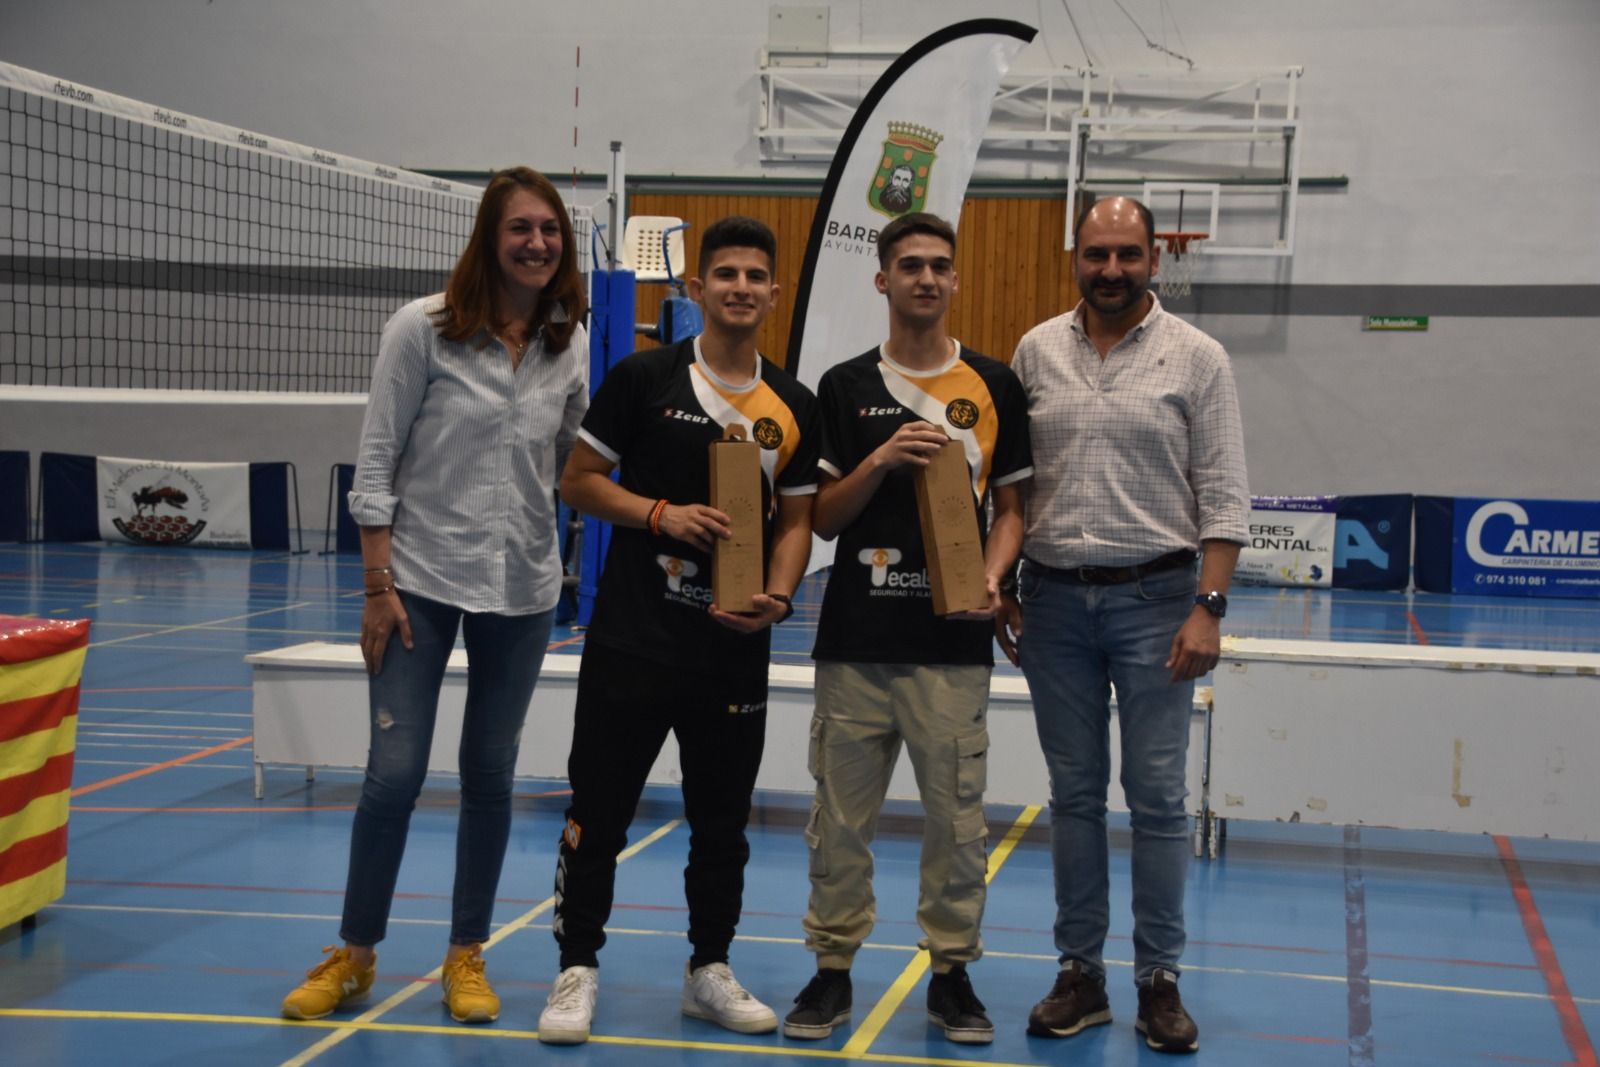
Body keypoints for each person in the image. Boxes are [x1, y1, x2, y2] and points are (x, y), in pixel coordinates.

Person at [279, 168, 589, 1025]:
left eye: (550, 230)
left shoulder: (568, 343)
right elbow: (376, 460)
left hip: (523, 587)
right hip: (417, 582)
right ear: (489, 236)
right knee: (394, 775)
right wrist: (377, 583)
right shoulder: (421, 328)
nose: (537, 243)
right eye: (521, 227)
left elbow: (576, 461)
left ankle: (465, 955)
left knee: (490, 773)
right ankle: (355, 954)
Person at [536, 216, 818, 1045]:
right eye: (725, 274)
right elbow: (579, 481)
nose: (740, 287)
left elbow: (797, 522)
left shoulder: (793, 405)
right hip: (633, 637)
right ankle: (577, 965)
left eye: (755, 276)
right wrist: (660, 513)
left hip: (732, 647)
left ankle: (708, 968)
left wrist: (777, 594)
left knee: (722, 822)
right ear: (698, 289)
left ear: (774, 293)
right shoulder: (643, 377)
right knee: (599, 810)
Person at [999, 196, 1248, 1054]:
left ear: (1154, 259)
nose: (1111, 270)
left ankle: (1158, 980)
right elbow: (1012, 487)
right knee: (1073, 796)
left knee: (1158, 798)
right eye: (1097, 254)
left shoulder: (1199, 357)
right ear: (1076, 256)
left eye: (1127, 254)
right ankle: (1081, 973)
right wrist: (1004, 584)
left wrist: (1208, 607)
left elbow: (1225, 493)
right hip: (1053, 603)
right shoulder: (1036, 349)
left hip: (1159, 603)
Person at [783, 213, 1032, 1046]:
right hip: (856, 642)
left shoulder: (993, 384)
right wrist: (881, 458)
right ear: (882, 279)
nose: (926, 277)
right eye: (911, 265)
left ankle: (951, 973)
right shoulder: (844, 384)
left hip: (951, 647)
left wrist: (993, 577)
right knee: (838, 820)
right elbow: (823, 517)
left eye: (939, 266)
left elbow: (1012, 509)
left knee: (956, 822)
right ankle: (832, 967)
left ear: (955, 280)